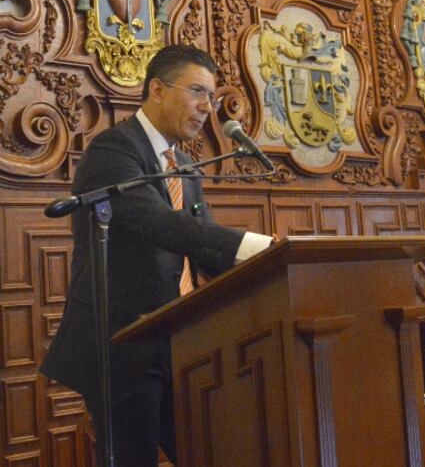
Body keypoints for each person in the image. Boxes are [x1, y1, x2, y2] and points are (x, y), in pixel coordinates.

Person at [40, 45, 272, 466]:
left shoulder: (182, 163)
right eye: (198, 92)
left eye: (212, 98)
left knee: (204, 451)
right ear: (158, 89)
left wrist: (271, 266)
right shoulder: (113, 149)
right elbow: (157, 223)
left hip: (179, 340)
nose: (207, 107)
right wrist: (251, 244)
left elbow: (200, 243)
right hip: (123, 343)